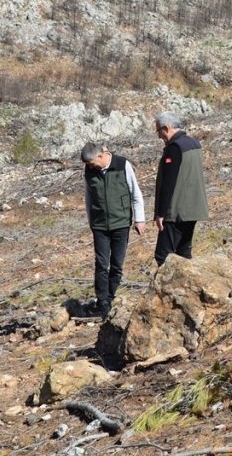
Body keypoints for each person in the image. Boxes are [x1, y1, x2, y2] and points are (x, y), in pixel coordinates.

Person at [81, 142, 145, 317]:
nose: (91, 167)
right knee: (101, 265)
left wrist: (139, 219)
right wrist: (91, 221)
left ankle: (110, 296)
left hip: (121, 223)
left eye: (92, 163)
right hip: (100, 225)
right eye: (88, 165)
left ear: (101, 156)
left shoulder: (122, 165)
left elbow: (135, 193)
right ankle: (102, 303)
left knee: (117, 265)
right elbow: (88, 197)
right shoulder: (89, 171)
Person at [152, 112, 209, 266]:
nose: (159, 136)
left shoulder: (175, 147)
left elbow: (169, 183)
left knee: (162, 255)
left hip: (177, 212)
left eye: (159, 131)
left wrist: (161, 213)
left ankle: (165, 289)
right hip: (194, 209)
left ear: (166, 128)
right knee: (184, 252)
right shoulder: (193, 143)